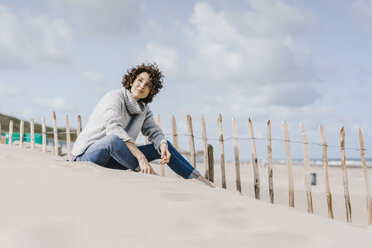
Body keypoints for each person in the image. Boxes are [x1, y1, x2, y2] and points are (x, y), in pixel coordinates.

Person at [72, 63, 214, 187]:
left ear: (151, 91)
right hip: (86, 157)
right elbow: (113, 128)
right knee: (113, 140)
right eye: (140, 80)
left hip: (113, 159)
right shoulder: (114, 97)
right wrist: (140, 157)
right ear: (132, 81)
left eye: (147, 85)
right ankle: (151, 174)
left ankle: (200, 180)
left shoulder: (143, 109)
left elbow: (154, 131)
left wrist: (162, 145)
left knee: (164, 145)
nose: (142, 86)